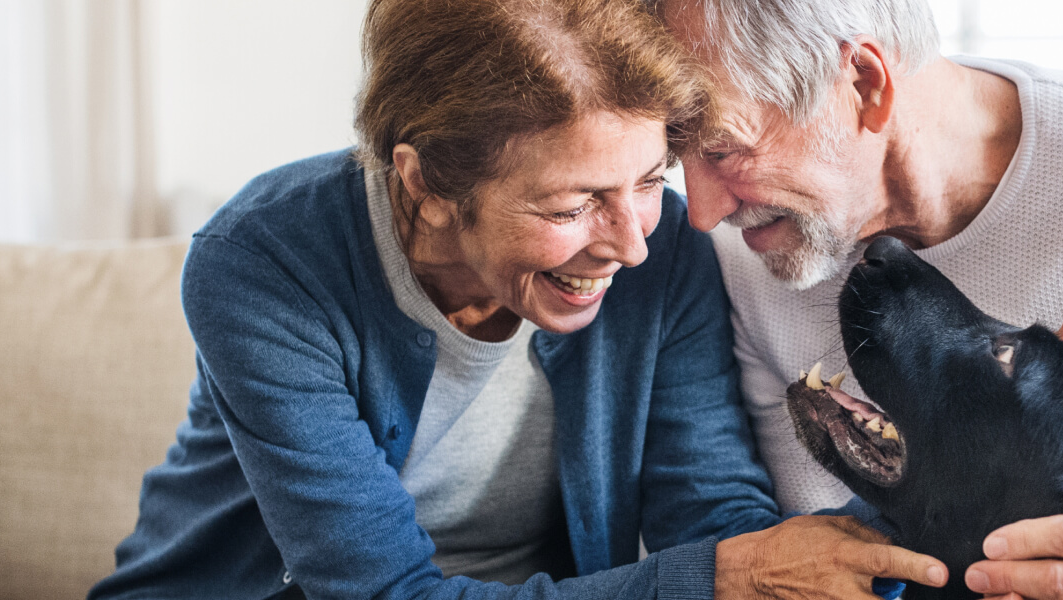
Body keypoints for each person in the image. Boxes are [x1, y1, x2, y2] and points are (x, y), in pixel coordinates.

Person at [88, 0, 954, 598]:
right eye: (572, 206)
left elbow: (715, 523)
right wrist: (724, 579)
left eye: (649, 179)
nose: (633, 242)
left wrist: (982, 477)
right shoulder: (263, 265)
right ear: (425, 185)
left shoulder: (665, 256)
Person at [650, 0, 1063, 597]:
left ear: (864, 84)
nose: (700, 213)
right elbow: (728, 546)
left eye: (721, 151)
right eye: (675, 153)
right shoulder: (725, 248)